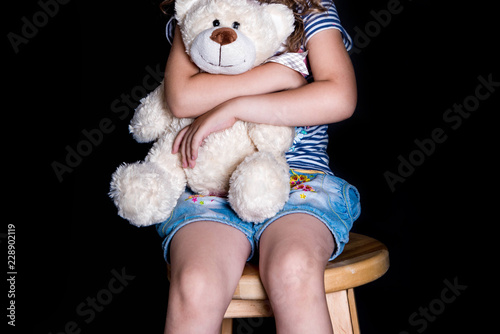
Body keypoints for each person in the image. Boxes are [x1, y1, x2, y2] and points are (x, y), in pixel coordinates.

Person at [156, 0, 361, 333]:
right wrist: (280, 74)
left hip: (299, 185)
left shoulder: (310, 7)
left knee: (292, 267)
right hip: (212, 189)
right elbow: (181, 98)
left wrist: (236, 107)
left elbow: (339, 97)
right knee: (197, 281)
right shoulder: (200, 7)